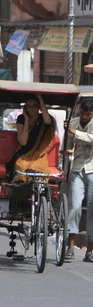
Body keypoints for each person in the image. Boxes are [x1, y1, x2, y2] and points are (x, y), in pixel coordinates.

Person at [64, 97, 93, 261]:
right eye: (82, 113)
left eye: (87, 114)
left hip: (92, 169)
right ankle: (70, 247)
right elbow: (68, 144)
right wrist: (68, 150)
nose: (84, 116)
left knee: (92, 209)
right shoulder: (73, 122)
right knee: (74, 207)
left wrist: (76, 133)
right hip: (76, 168)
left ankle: (90, 250)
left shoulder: (77, 127)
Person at [6, 94, 55, 182]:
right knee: (22, 167)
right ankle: (21, 189)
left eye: (35, 106)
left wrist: (40, 98)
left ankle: (37, 193)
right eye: (28, 106)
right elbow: (23, 142)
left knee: (37, 168)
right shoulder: (21, 118)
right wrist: (26, 121)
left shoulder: (43, 119)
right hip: (24, 153)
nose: (31, 109)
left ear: (39, 106)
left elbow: (48, 121)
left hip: (39, 154)